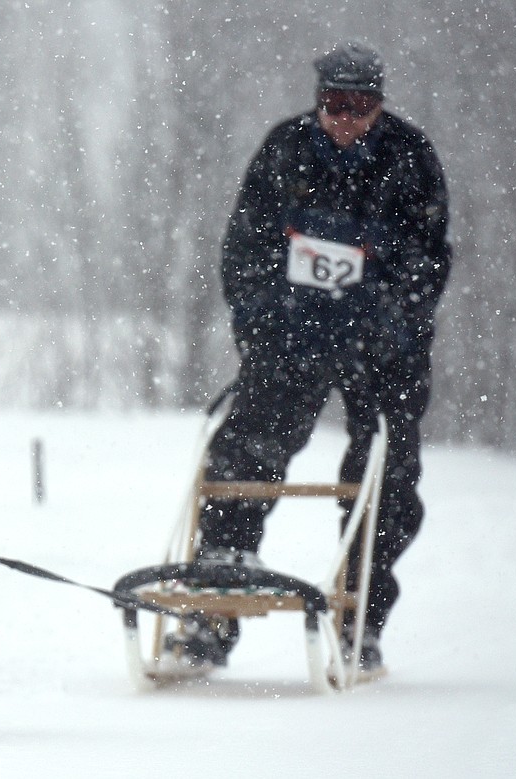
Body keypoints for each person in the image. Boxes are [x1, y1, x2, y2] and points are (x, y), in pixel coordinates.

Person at [171, 42, 452, 674]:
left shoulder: (410, 159)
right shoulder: (285, 150)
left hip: (382, 352)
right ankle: (215, 602)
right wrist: (263, 328)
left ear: (379, 105)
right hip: (293, 339)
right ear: (318, 99)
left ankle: (361, 620)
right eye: (334, 104)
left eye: (360, 106)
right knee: (243, 447)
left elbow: (427, 263)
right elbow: (245, 252)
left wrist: (380, 322)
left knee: (387, 474)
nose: (346, 118)